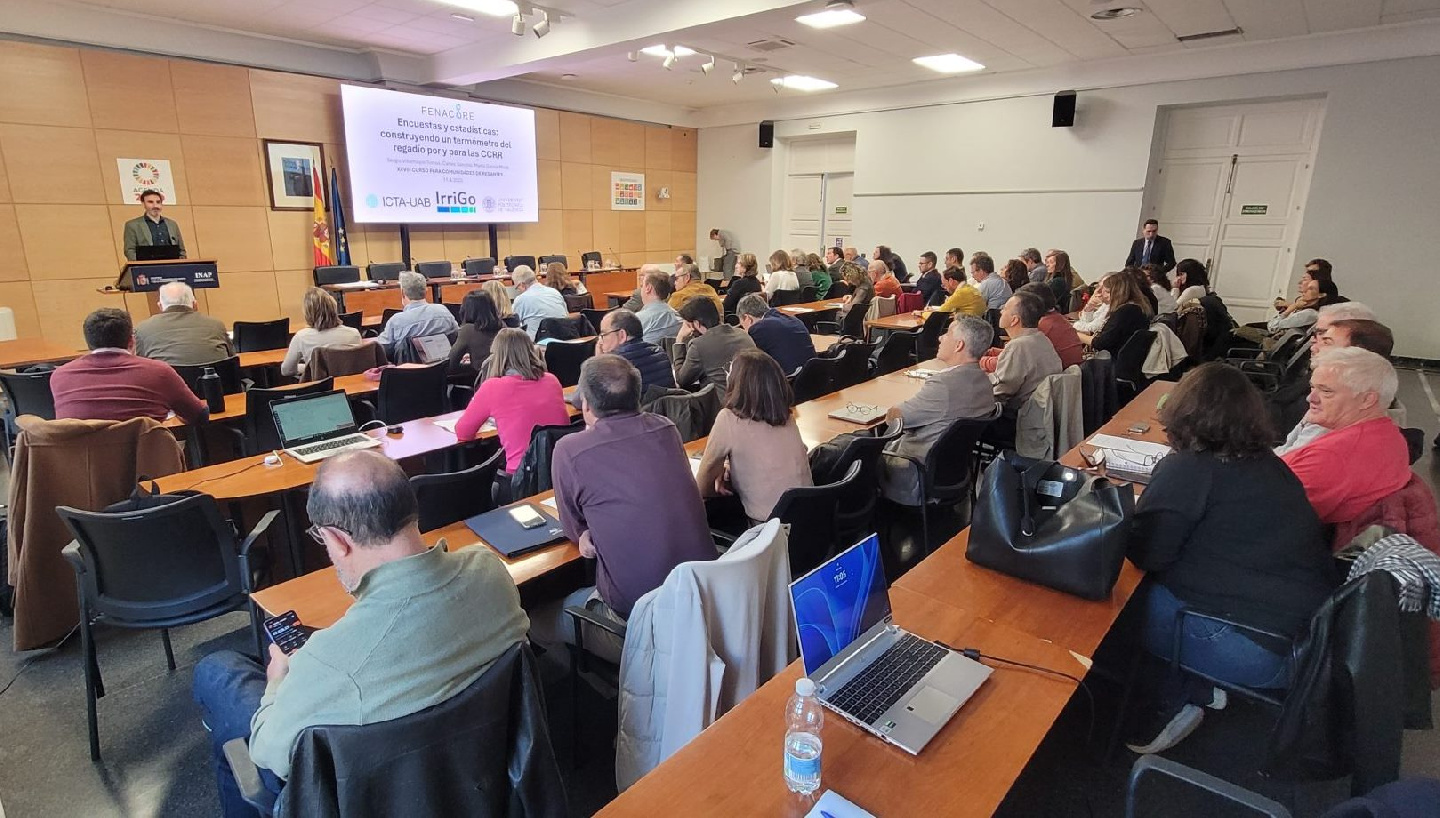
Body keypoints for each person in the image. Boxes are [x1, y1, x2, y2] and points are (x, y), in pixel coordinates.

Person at [191, 450, 529, 818]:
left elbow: (269, 753)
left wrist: (276, 683)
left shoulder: (326, 662)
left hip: (363, 793)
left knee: (218, 671)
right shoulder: (490, 573)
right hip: (480, 777)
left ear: (337, 540)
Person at [1124, 363, 1333, 754]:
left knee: (1114, 603)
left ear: (1180, 413)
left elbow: (1147, 553)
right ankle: (1199, 682)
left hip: (1245, 648)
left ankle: (1184, 692)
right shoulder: (1270, 465)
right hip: (1299, 644)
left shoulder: (1189, 468)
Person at [544, 354, 717, 662]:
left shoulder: (569, 450)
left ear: (585, 404)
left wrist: (585, 532)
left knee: (538, 617)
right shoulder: (666, 428)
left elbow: (573, 529)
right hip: (703, 605)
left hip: (637, 627)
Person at [1280, 347, 1411, 525]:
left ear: (1367, 400)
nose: (1311, 398)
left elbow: (1266, 513)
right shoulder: (1387, 435)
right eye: (1313, 387)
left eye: (1326, 391)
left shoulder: (1334, 456)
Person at [880, 316, 999, 504]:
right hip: (951, 473)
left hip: (914, 471)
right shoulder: (985, 381)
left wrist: (895, 408)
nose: (940, 338)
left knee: (858, 455)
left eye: (948, 333)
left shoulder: (943, 385)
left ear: (959, 345)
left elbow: (895, 420)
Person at [694, 349, 812, 524]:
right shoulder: (786, 417)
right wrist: (729, 468)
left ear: (737, 382)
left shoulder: (728, 419)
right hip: (808, 520)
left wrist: (720, 474)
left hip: (768, 532)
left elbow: (703, 488)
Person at [51, 308, 208, 424]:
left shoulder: (59, 376)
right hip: (151, 465)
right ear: (132, 341)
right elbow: (198, 415)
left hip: (83, 465)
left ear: (88, 343)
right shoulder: (159, 372)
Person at [1275, 318, 1404, 455]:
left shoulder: (1333, 415)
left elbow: (1288, 464)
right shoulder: (1333, 394)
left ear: (1355, 353)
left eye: (1327, 342)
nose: (1313, 346)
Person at [454, 328, 571, 475]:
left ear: (497, 356)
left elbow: (463, 432)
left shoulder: (492, 387)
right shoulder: (551, 380)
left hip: (521, 476)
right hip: (560, 468)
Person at [989, 292, 1062, 440]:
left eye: (1005, 308)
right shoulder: (1042, 339)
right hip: (1041, 416)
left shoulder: (1018, 346)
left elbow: (1000, 393)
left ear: (1015, 320)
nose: (1001, 311)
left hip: (1015, 420)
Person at [979, 283, 1084, 372]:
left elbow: (1009, 364)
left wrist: (977, 361)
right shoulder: (1055, 319)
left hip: (1050, 382)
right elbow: (1016, 356)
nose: (1002, 310)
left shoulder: (1040, 329)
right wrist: (993, 352)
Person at [134, 281, 232, 366]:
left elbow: (140, 367)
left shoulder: (142, 329)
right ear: (195, 305)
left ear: (160, 306)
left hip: (168, 387)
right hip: (217, 386)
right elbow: (232, 358)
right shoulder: (217, 325)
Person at [672, 296, 755, 391]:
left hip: (724, 403)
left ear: (697, 323)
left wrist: (679, 340)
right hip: (753, 398)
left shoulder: (699, 345)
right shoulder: (743, 334)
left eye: (687, 325)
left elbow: (681, 380)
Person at [374, 271, 458, 359]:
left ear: (402, 293)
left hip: (411, 371)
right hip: (443, 368)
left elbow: (382, 349)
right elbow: (456, 336)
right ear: (426, 291)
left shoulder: (396, 321)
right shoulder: (443, 311)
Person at [281, 287, 361, 378]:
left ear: (308, 312)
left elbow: (286, 370)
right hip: (349, 385)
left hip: (322, 388)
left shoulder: (301, 337)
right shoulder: (354, 333)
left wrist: (310, 368)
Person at [595, 309, 674, 392]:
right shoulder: (660, 352)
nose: (600, 341)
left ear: (622, 335)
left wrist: (599, 363)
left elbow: (590, 396)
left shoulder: (615, 365)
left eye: (604, 335)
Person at [736, 293, 812, 375]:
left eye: (743, 325)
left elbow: (751, 361)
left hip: (788, 380)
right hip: (811, 375)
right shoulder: (793, 320)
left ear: (747, 318)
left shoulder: (758, 329)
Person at [1080, 272, 1153, 355]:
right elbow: (1112, 333)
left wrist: (1076, 335)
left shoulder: (1126, 311)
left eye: (1107, 292)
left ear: (1118, 292)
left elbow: (1101, 343)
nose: (1102, 294)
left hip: (1116, 361)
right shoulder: (1137, 308)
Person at [122, 188, 186, 261]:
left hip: (172, 267)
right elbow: (129, 251)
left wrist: (180, 263)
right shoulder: (132, 225)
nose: (155, 205)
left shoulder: (172, 224)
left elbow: (182, 250)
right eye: (150, 202)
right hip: (147, 269)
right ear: (143, 204)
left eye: (158, 202)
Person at [510, 265, 568, 338]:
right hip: (564, 339)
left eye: (517, 288)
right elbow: (566, 315)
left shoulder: (521, 299)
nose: (518, 290)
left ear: (522, 285)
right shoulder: (554, 292)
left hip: (537, 344)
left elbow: (513, 324)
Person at [635, 268, 682, 343]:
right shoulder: (679, 319)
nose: (641, 290)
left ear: (648, 288)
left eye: (642, 286)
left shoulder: (637, 320)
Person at [722, 253, 763, 317]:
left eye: (738, 263)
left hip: (737, 318)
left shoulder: (739, 284)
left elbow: (726, 305)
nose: (736, 266)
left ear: (745, 267)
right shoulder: (757, 283)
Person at [836, 262, 873, 328]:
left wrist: (842, 307)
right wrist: (851, 297)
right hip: (859, 317)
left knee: (835, 313)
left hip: (856, 320)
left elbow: (852, 308)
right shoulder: (865, 282)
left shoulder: (863, 289)